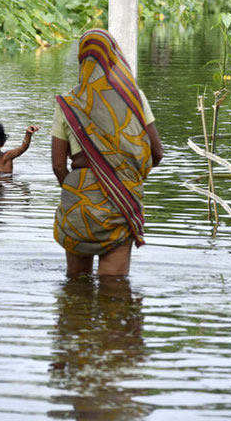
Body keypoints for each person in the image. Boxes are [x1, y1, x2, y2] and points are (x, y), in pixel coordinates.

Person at [51, 28, 163, 277]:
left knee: (76, 287)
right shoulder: (136, 99)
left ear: (82, 59)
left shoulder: (69, 103)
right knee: (115, 292)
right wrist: (125, 178)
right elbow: (157, 153)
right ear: (114, 57)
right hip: (120, 200)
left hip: (78, 200)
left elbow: (58, 166)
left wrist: (77, 193)